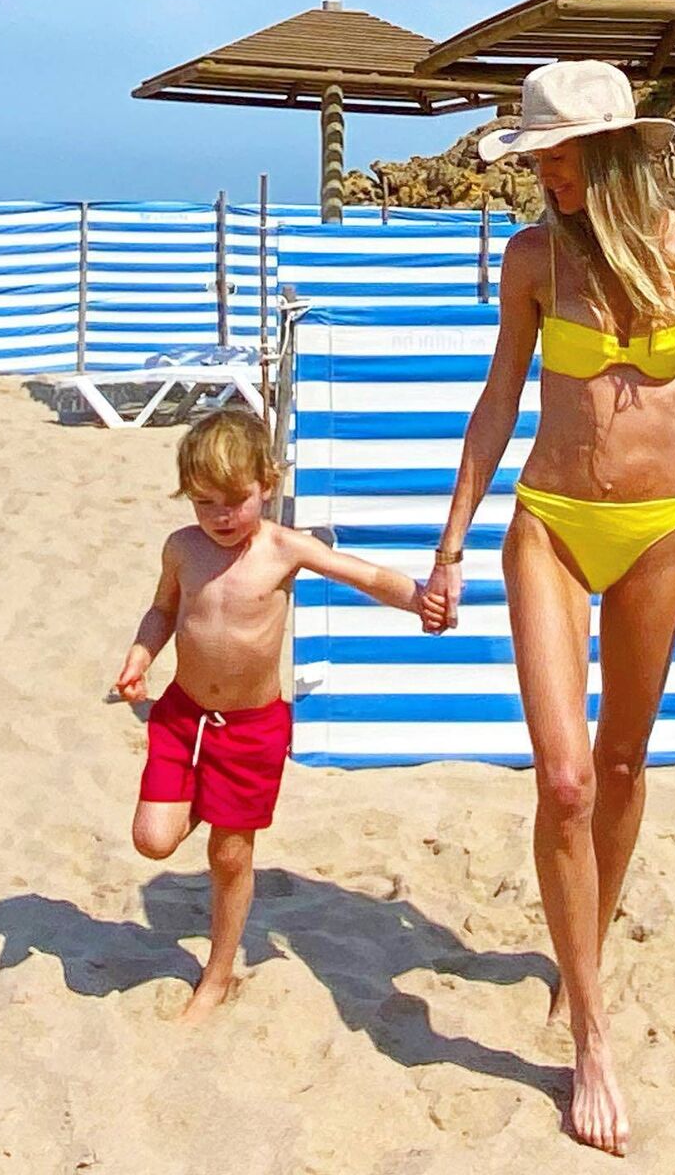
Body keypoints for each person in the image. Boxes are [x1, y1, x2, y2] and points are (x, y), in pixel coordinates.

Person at [420, 61, 675, 1156]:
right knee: (564, 780)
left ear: (609, 156)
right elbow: (500, 397)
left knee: (623, 766)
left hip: (661, 532)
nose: (543, 176)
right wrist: (451, 545)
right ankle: (591, 1036)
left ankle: (580, 958)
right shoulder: (533, 258)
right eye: (537, 158)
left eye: (557, 157)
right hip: (551, 521)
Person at [115, 408, 437, 1022]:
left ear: (267, 484)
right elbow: (162, 611)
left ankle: (217, 975)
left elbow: (365, 575)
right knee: (152, 840)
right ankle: (203, 800)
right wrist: (141, 653)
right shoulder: (182, 548)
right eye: (204, 503)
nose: (221, 517)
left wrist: (420, 601)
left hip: (251, 727)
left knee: (229, 856)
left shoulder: (283, 548)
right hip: (183, 715)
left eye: (235, 501)